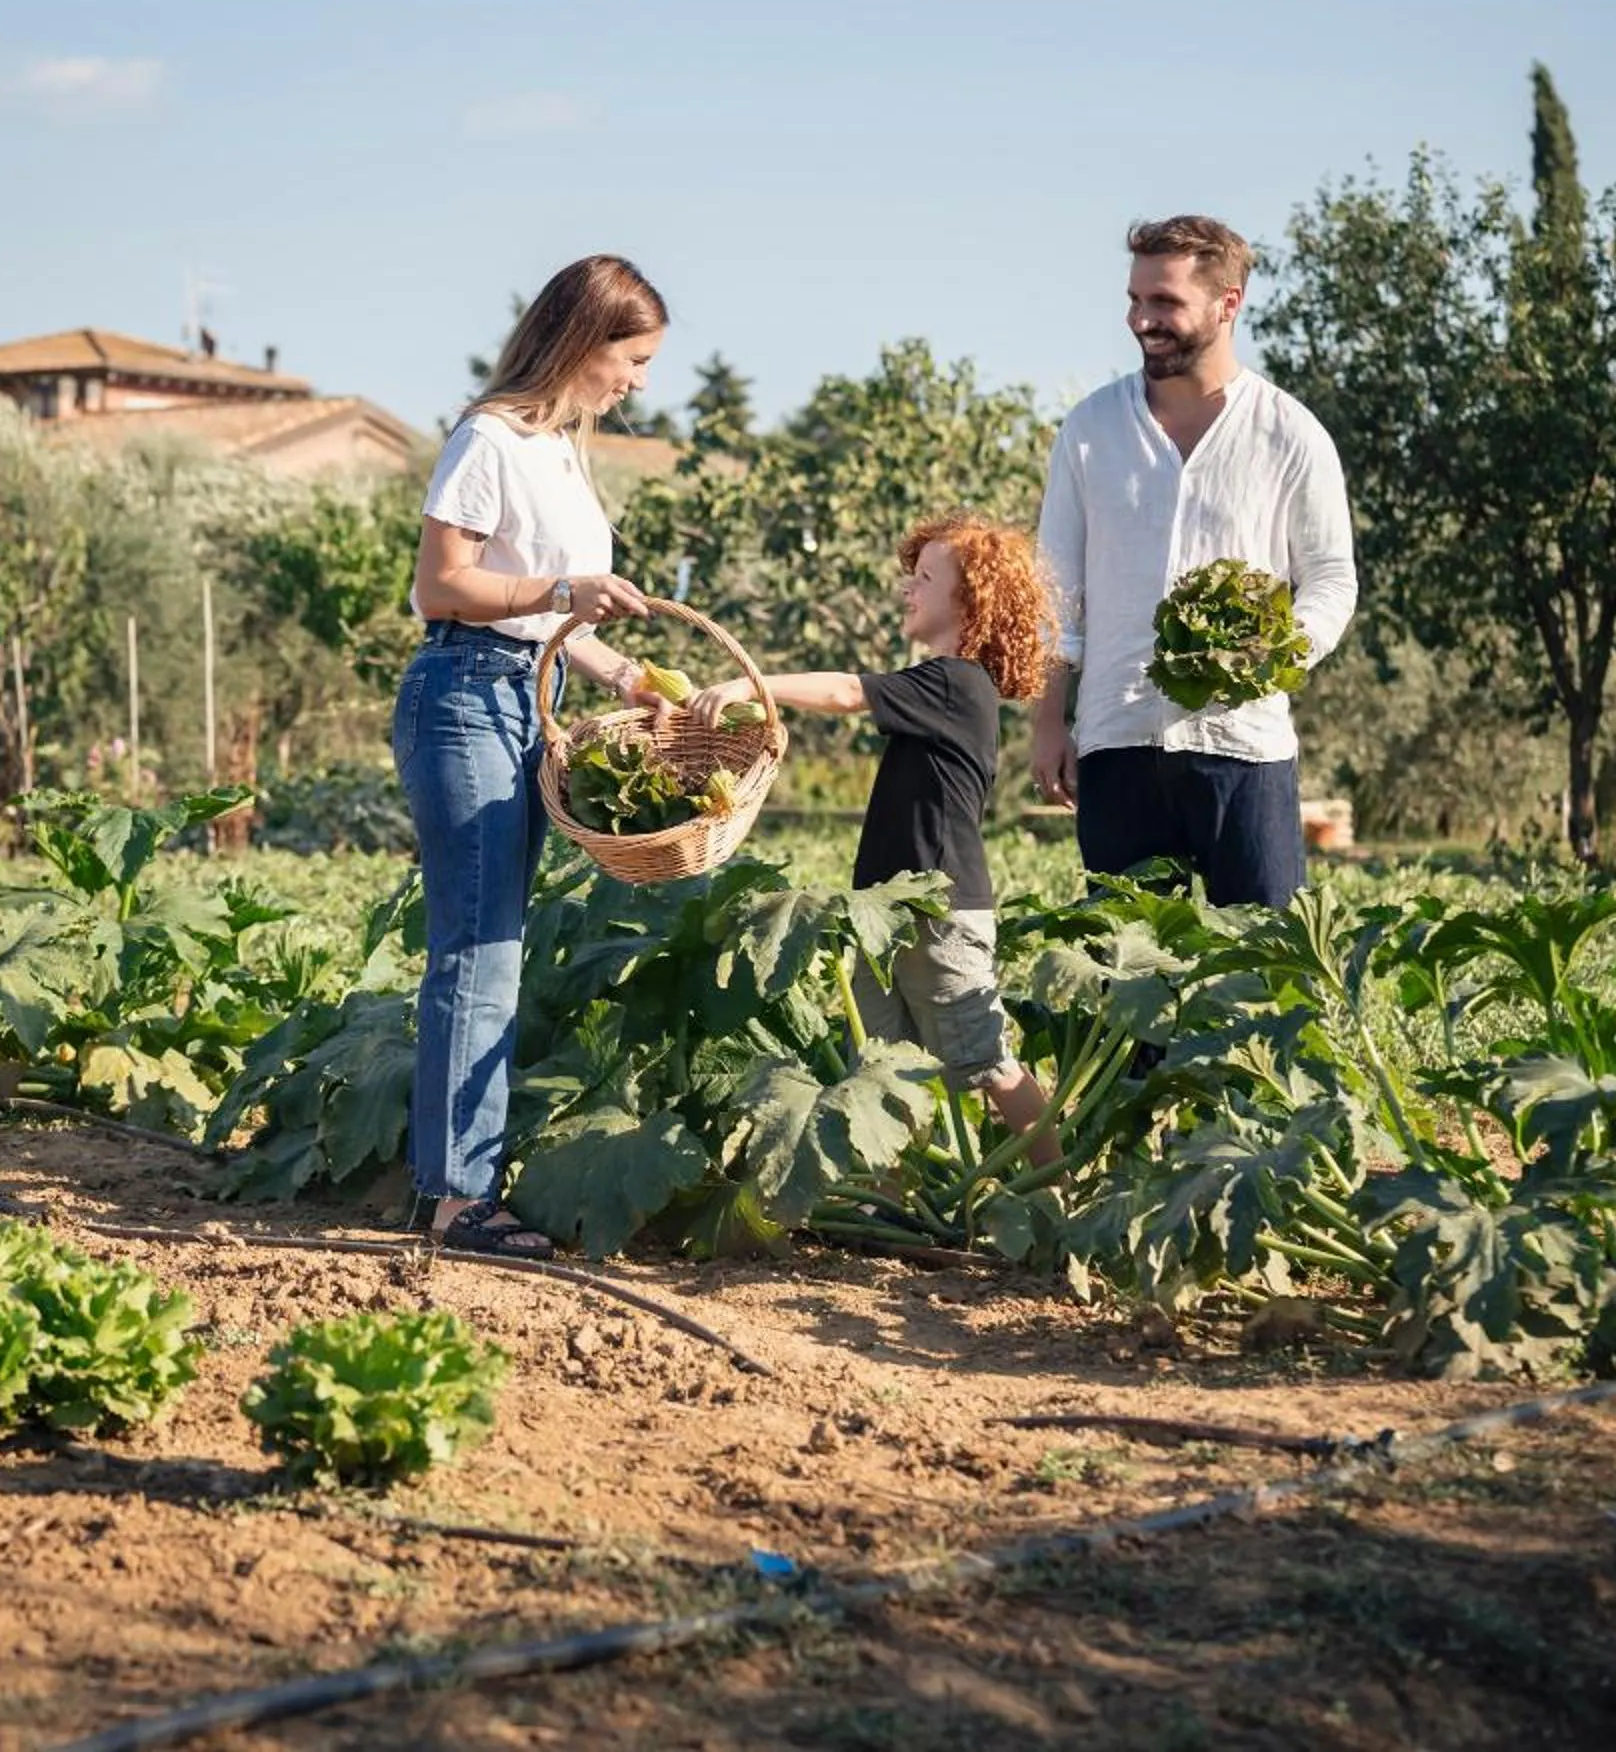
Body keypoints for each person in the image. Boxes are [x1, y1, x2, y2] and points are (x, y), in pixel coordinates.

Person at [397, 254, 673, 1259]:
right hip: (464, 695)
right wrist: (562, 591)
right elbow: (444, 588)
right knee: (480, 948)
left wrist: (624, 675)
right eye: (631, 358)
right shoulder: (490, 439)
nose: (637, 381)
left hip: (528, 692)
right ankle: (460, 1202)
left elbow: (556, 611)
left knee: (492, 941)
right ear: (581, 340)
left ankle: (453, 1184)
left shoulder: (557, 450)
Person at [689, 512, 1062, 1164]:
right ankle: (889, 1200)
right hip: (887, 911)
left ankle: (1059, 1190)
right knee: (883, 1070)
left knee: (984, 1059)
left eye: (924, 577)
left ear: (970, 600)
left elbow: (841, 690)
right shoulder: (940, 686)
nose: (906, 589)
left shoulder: (955, 682)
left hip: (938, 911)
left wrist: (751, 684)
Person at [1028, 216, 1357, 907]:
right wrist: (1049, 722)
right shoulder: (1091, 430)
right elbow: (1055, 590)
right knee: (1129, 977)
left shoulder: (1290, 434)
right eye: (1135, 300)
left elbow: (1330, 577)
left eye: (1165, 302)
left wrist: (1279, 651)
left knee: (1267, 974)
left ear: (1227, 304)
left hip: (1246, 744)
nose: (1142, 319)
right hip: (1116, 741)